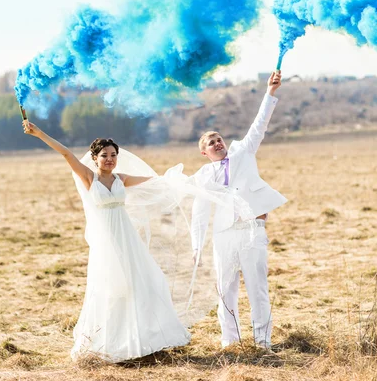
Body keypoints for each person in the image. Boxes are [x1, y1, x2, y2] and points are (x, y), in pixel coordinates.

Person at [22, 121, 190, 362]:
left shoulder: (122, 179)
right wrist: (38, 133)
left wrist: (179, 182)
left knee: (141, 282)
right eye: (104, 155)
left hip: (127, 238)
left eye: (113, 155)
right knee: (112, 288)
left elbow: (155, 182)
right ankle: (109, 343)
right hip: (106, 242)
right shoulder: (89, 178)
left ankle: (144, 340)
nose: (109, 159)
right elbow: (66, 153)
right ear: (95, 158)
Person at [191, 71, 287, 349]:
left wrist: (269, 92)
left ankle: (262, 341)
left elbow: (259, 125)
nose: (217, 143)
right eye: (211, 142)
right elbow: (199, 211)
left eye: (219, 139)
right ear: (204, 152)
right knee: (225, 290)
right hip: (223, 235)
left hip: (251, 231)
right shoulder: (203, 175)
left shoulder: (243, 152)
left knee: (257, 288)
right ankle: (230, 341)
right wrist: (197, 245)